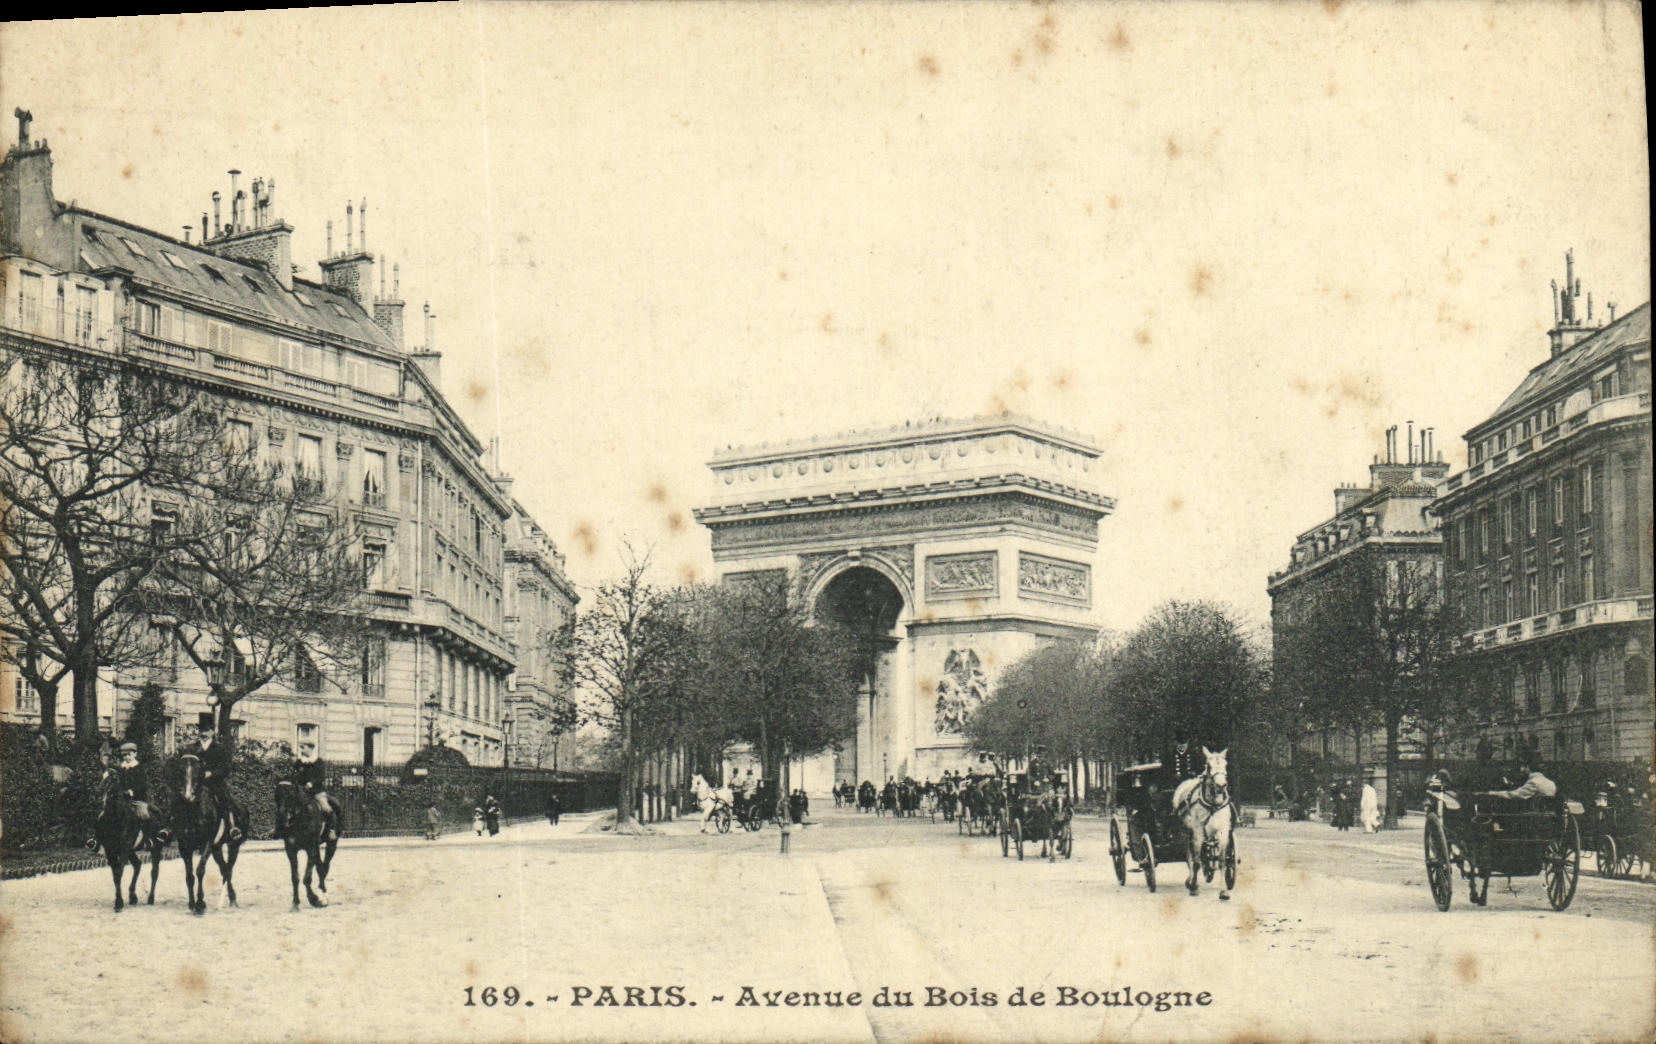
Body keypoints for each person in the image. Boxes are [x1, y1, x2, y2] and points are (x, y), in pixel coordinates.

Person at [193, 713, 243, 842]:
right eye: (201, 730)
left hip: (214, 783)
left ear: (212, 732)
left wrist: (212, 773)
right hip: (195, 783)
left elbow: (226, 768)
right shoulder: (193, 747)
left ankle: (232, 826)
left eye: (206, 730)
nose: (203, 733)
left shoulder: (219, 748)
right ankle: (170, 828)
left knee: (224, 800)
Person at [290, 741, 338, 840]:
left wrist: (311, 783)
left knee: (326, 808)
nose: (301, 750)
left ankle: (331, 830)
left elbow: (321, 776)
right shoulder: (299, 762)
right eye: (300, 747)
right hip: (302, 792)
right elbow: (294, 775)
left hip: (317, 792)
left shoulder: (318, 762)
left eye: (303, 747)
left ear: (311, 748)